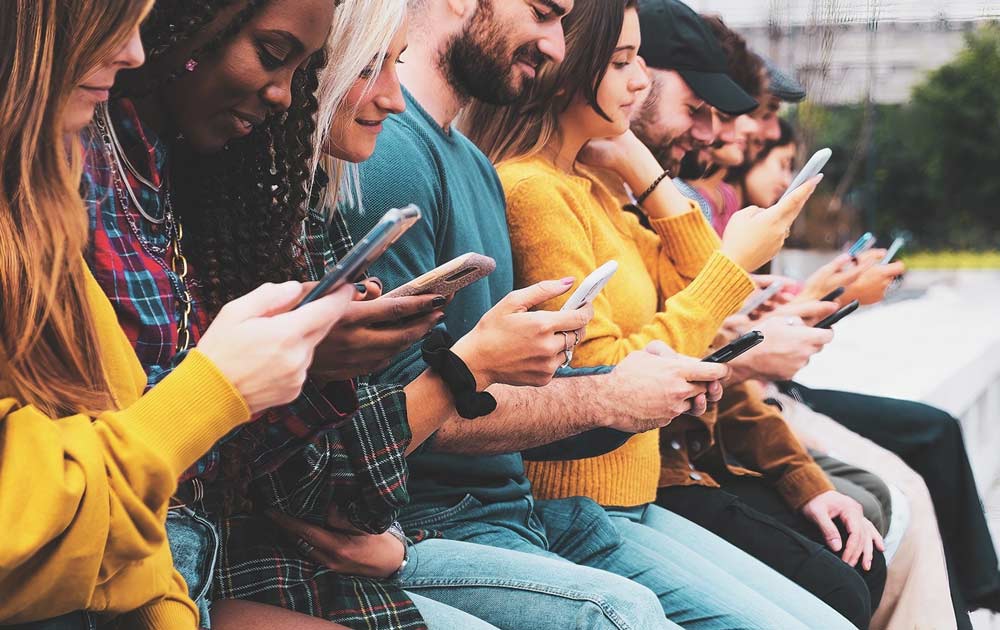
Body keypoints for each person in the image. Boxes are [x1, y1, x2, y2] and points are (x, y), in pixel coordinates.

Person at [340, 0, 868, 628]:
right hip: (448, 521)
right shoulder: (412, 160)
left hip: (533, 511)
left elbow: (537, 373)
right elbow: (397, 419)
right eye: (542, 14)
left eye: (563, 24)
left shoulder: (476, 165)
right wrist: (613, 395)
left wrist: (641, 386)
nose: (557, 45)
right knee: (634, 612)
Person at [0, 1, 360, 628]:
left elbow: (152, 473)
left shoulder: (127, 186)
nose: (133, 50)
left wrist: (311, 370)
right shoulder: (72, 182)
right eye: (274, 55)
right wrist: (457, 378)